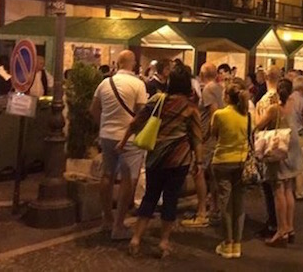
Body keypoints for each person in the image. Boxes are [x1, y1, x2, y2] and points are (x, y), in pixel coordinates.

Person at [122, 64, 203, 258]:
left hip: (155, 158)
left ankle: (136, 239)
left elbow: (135, 123)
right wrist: (199, 163)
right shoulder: (191, 108)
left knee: (149, 196)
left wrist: (123, 141)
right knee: (170, 199)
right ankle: (164, 242)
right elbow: (197, 138)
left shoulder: (157, 100)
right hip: (179, 160)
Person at [89, 50, 147, 240]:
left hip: (107, 135)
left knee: (107, 175)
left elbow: (94, 109)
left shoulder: (105, 83)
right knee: (127, 180)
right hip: (129, 138)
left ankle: (107, 219)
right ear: (134, 63)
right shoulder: (138, 84)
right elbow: (141, 114)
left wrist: (103, 126)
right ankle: (118, 225)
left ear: (118, 63)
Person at [254, 78, 302, 247]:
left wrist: (255, 111)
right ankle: (290, 228)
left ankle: (281, 230)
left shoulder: (274, 109)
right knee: (289, 188)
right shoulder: (294, 104)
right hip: (294, 146)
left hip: (279, 147)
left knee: (278, 190)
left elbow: (258, 124)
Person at [210, 81, 250, 259]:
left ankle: (227, 242)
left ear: (226, 96)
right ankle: (237, 244)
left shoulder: (219, 114)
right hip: (241, 161)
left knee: (225, 203)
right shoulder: (246, 115)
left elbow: (215, 134)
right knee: (239, 203)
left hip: (222, 161)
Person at [182, 63, 224, 228]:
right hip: (216, 138)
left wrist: (205, 136)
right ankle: (214, 208)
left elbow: (214, 113)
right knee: (213, 175)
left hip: (207, 139)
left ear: (201, 73)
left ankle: (202, 212)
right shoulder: (220, 88)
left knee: (198, 171)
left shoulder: (208, 90)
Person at [254, 66, 282, 237]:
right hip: (281, 143)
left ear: (265, 77)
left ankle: (273, 222)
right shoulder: (283, 97)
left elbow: (259, 124)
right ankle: (280, 222)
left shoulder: (266, 100)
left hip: (267, 143)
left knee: (269, 187)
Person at [289, 76, 303, 200]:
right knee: (301, 165)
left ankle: (288, 190)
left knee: (289, 164)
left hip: (287, 136)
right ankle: (300, 192)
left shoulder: (287, 100)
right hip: (300, 136)